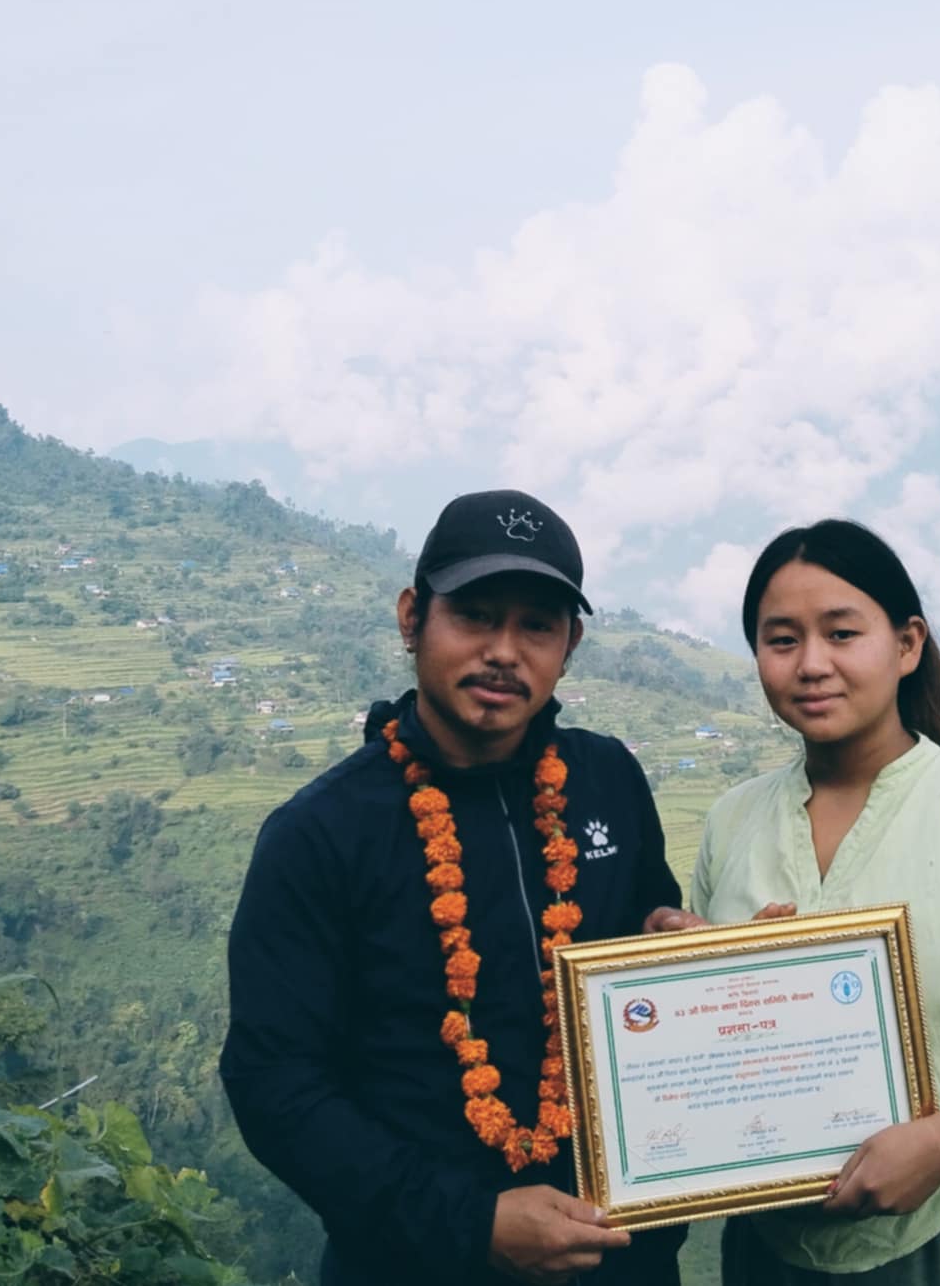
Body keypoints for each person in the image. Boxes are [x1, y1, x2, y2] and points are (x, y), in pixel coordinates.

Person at [221, 490, 688, 1286]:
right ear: (413, 618)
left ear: (569, 645)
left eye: (537, 625)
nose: (505, 650)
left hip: (618, 1262)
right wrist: (471, 1223)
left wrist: (686, 955)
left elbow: (650, 932)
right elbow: (276, 1083)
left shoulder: (607, 778)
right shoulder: (321, 833)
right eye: (475, 614)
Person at [654, 519, 940, 1284]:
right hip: (773, 1247)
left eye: (841, 633)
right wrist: (691, 979)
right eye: (781, 640)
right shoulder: (734, 821)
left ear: (907, 645)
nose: (811, 664)